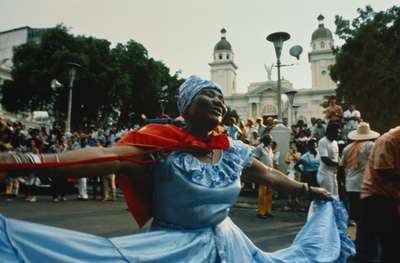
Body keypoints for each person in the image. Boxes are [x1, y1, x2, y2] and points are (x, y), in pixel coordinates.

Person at [0, 76, 354, 262]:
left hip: (231, 245)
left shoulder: (230, 149)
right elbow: (100, 155)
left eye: (219, 96)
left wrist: (309, 191)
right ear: (186, 106)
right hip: (173, 249)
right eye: (207, 95)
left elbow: (267, 175)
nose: (217, 101)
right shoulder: (160, 146)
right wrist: (20, 162)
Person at [338, 122, 379, 262]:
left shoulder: (347, 148)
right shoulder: (371, 146)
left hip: (351, 186)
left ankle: (358, 247)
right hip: (366, 186)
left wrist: (342, 185)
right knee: (368, 218)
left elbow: (340, 167)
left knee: (356, 218)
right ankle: (368, 250)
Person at [358, 126, 400, 263]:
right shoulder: (388, 140)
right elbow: (383, 170)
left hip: (390, 195)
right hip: (375, 195)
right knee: (389, 242)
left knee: (389, 242)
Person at [317, 122, 341, 198]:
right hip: (325, 174)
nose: (338, 134)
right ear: (331, 132)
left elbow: (337, 156)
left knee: (336, 196)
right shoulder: (323, 141)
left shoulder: (335, 143)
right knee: (328, 197)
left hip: (334, 173)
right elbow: (325, 159)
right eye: (337, 132)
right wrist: (338, 164)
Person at [253, 134, 274, 218]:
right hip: (262, 172)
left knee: (269, 192)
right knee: (262, 192)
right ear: (265, 140)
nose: (270, 142)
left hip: (270, 171)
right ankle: (260, 212)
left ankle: (268, 210)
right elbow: (255, 159)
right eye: (269, 140)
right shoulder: (259, 148)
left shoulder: (269, 148)